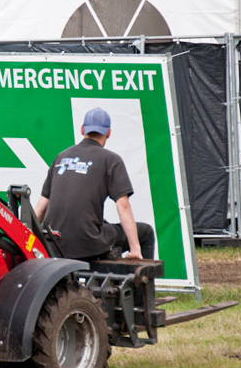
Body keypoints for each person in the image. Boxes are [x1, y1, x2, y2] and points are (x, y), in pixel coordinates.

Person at [34, 107, 155, 262]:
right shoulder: (111, 160)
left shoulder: (61, 157)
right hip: (88, 243)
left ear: (82, 129)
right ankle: (143, 274)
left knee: (102, 223)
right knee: (146, 233)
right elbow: (123, 207)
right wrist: (135, 249)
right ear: (108, 132)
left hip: (53, 243)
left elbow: (40, 208)